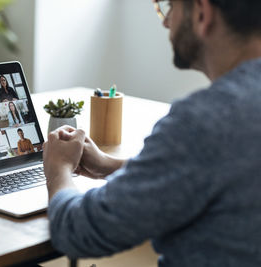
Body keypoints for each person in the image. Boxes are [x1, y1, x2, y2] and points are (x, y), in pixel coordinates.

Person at [43, 0, 261, 266]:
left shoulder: (204, 121)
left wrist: (58, 169)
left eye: (170, 7)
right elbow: (220, 168)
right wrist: (110, 166)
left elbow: (77, 232)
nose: (166, 22)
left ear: (202, 13)